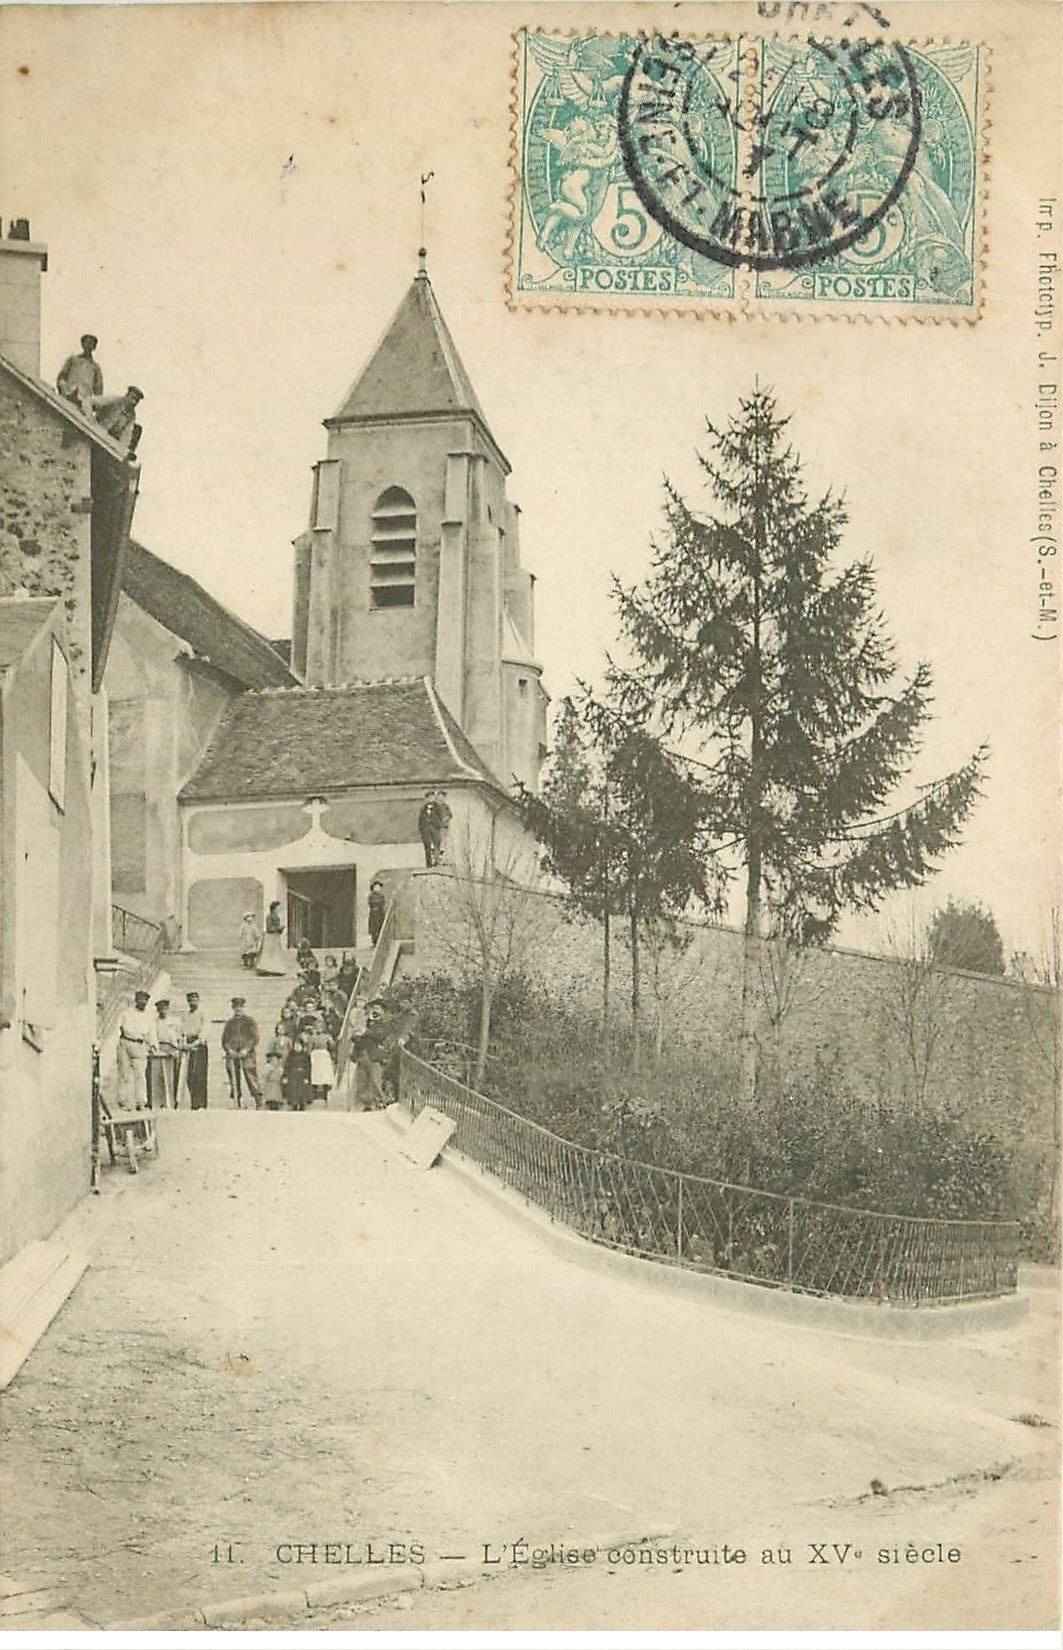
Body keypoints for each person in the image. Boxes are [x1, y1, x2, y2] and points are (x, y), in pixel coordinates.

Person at [116, 989, 156, 1109]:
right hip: (126, 1043)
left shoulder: (149, 1015)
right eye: (140, 1000)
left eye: (145, 1000)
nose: (143, 1002)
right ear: (136, 1000)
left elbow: (151, 1032)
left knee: (140, 1075)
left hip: (140, 1046)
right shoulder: (126, 1013)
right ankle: (123, 1102)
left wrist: (153, 1045)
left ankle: (140, 1102)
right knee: (124, 1074)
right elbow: (121, 1028)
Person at [221, 996, 262, 1108]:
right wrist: (229, 1049)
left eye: (240, 1007)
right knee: (233, 1076)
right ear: (233, 1008)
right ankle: (236, 1101)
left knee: (250, 1074)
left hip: (247, 1054)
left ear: (243, 1008)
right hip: (233, 1054)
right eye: (236, 1007)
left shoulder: (249, 1021)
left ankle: (258, 1101)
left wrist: (246, 1049)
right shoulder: (229, 1023)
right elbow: (225, 1040)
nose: (238, 1009)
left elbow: (255, 1038)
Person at [354, 997, 390, 1110]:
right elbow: (357, 1037)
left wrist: (365, 1032)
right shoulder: (367, 1022)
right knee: (362, 1080)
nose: (375, 1010)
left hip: (374, 1055)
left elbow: (381, 1035)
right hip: (362, 1053)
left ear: (382, 1011)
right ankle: (367, 1104)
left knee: (375, 1080)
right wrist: (356, 1036)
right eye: (373, 1008)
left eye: (377, 1008)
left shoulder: (384, 1023)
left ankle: (379, 1103)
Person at [56, 334, 103, 413]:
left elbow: (98, 390)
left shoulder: (95, 367)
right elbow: (61, 377)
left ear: (94, 347)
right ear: (82, 344)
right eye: (86, 342)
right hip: (68, 396)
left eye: (91, 343)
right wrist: (63, 388)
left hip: (84, 402)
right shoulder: (73, 359)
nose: (88, 345)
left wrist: (93, 404)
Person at [147, 999, 180, 1109]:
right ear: (158, 1010)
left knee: (171, 1078)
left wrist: (175, 1048)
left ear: (168, 1009)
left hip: (171, 1049)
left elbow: (178, 1035)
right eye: (160, 1009)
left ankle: (171, 1102)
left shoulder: (174, 1021)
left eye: (165, 1009)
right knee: (157, 1077)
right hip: (159, 1049)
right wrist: (155, 1047)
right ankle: (157, 1102)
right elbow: (152, 1036)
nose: (163, 1012)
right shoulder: (154, 1022)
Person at [180, 990, 209, 1111]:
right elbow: (182, 1031)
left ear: (198, 1000)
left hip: (199, 1045)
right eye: (190, 1000)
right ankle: (194, 1102)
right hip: (188, 1045)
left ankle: (201, 1103)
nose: (192, 1002)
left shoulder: (203, 1013)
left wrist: (197, 1042)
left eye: (194, 1000)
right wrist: (185, 1043)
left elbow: (205, 1030)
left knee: (199, 1075)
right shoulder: (186, 1015)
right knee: (189, 1075)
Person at [95, 384, 143, 452]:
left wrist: (122, 450)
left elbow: (126, 435)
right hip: (97, 430)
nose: (133, 402)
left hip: (109, 441)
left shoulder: (131, 416)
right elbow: (95, 401)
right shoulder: (115, 400)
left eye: (136, 401)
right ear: (127, 395)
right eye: (132, 398)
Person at [308, 1014, 336, 1106]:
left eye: (321, 1027)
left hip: (324, 1055)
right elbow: (309, 1048)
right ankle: (314, 1095)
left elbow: (332, 1046)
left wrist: (332, 1042)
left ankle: (325, 1095)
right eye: (317, 1027)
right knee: (315, 1074)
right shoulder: (312, 1037)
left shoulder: (327, 1036)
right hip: (315, 1055)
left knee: (324, 1075)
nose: (319, 1029)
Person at [256, 900, 286, 976]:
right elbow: (269, 928)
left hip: (275, 937)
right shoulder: (270, 916)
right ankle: (267, 970)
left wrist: (280, 929)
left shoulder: (276, 916)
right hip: (270, 938)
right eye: (278, 908)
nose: (279, 909)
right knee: (269, 954)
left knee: (275, 954)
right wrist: (278, 928)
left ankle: (275, 970)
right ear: (274, 908)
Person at [285, 1032, 311, 1111]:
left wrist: (307, 1077)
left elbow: (308, 1067)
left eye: (298, 1045)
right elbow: (287, 1066)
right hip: (293, 1075)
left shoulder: (305, 1056)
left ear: (302, 1046)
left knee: (301, 1090)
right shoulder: (291, 1055)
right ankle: (294, 1104)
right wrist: (286, 1076)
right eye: (295, 1045)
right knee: (294, 1090)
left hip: (302, 1075)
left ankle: (302, 1104)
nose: (297, 1047)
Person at [417, 791, 441, 867]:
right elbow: (420, 821)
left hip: (435, 829)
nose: (431, 799)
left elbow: (441, 818)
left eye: (432, 797)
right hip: (426, 831)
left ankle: (437, 862)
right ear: (426, 799)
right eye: (429, 798)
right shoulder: (423, 809)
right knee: (427, 846)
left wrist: (437, 825)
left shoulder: (438, 807)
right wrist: (422, 830)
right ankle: (429, 863)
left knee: (436, 846)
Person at [367, 879, 387, 946]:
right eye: (376, 887)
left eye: (379, 887)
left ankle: (379, 941)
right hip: (373, 914)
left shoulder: (382, 896)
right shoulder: (371, 896)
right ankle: (374, 941)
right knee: (374, 928)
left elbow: (382, 903)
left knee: (379, 927)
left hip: (380, 914)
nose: (377, 888)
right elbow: (370, 903)